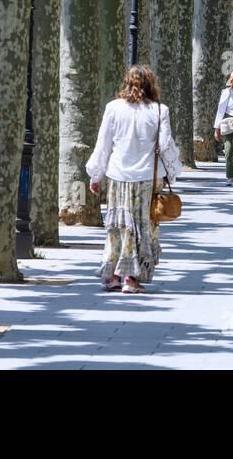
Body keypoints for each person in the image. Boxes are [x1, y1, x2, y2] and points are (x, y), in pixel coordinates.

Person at [86, 65, 182, 294]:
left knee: (118, 227)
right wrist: (172, 172)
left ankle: (113, 275)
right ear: (152, 84)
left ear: (127, 83)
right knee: (142, 227)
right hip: (148, 177)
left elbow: (104, 144)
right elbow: (166, 145)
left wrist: (95, 174)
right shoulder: (160, 111)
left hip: (118, 176)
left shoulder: (113, 108)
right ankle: (131, 278)